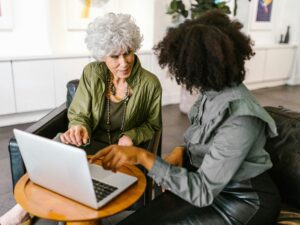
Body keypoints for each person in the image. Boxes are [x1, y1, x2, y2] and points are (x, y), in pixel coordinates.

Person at [90, 10, 281, 225]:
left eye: (185, 66)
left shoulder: (240, 117)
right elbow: (207, 142)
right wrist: (182, 150)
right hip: (212, 189)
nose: (181, 75)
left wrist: (143, 157)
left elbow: (202, 191)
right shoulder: (211, 92)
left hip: (242, 202)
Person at [0, 12, 162, 225]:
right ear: (102, 55)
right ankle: (23, 210)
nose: (124, 62)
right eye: (114, 56)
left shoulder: (150, 84)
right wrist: (79, 127)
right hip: (88, 146)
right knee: (58, 149)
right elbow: (78, 113)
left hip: (121, 154)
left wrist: (132, 135)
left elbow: (153, 125)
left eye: (128, 52)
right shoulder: (92, 73)